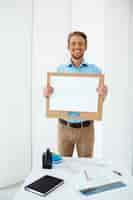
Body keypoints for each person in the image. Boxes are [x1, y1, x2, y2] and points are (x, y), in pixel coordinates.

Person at [44, 31, 107, 157]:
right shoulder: (60, 70)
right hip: (64, 128)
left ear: (86, 46)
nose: (77, 46)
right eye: (73, 43)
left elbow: (98, 100)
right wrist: (47, 94)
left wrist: (103, 95)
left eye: (80, 43)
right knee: (64, 167)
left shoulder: (95, 71)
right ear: (68, 46)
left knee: (86, 167)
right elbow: (55, 98)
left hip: (86, 130)